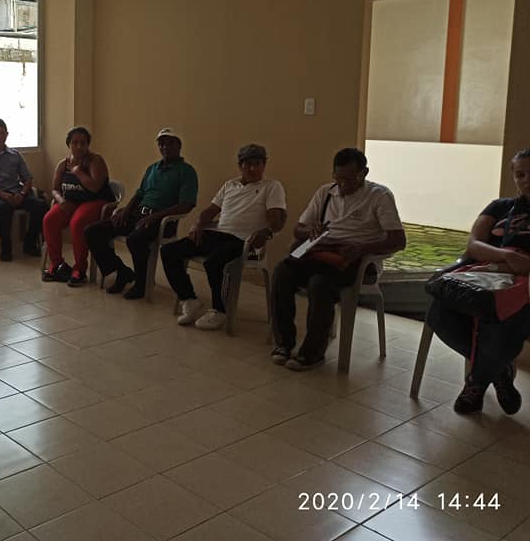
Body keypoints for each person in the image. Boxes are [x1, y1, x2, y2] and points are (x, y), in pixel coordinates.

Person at [271, 147, 406, 371]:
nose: (342, 185)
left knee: (319, 284)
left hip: (357, 260)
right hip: (322, 253)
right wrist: (310, 231)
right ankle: (284, 342)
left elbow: (398, 241)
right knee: (282, 271)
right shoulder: (326, 193)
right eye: (338, 178)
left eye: (349, 179)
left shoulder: (379, 196)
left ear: (364, 173)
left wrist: (362, 248)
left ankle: (312, 352)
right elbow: (298, 230)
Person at [427, 148, 530, 415]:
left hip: (524, 288)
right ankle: (498, 371)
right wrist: (506, 256)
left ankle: (476, 383)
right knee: (439, 312)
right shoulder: (500, 207)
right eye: (520, 175)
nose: (526, 180)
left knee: (500, 317)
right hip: (487, 276)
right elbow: (473, 245)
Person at [161, 143, 286, 329]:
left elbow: (277, 220)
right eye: (248, 164)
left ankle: (219, 310)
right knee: (169, 251)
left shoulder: (271, 186)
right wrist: (198, 223)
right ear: (240, 166)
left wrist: (267, 231)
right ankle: (189, 299)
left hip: (244, 241)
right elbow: (210, 210)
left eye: (258, 164)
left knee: (214, 262)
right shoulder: (229, 185)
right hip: (218, 234)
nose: (253, 169)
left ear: (264, 164)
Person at [85, 128, 198, 300]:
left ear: (179, 146)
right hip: (139, 214)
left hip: (162, 221)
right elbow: (139, 194)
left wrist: (156, 216)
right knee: (92, 231)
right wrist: (126, 210)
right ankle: (122, 272)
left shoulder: (186, 171)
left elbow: (186, 205)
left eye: (169, 143)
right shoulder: (152, 168)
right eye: (161, 144)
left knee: (135, 239)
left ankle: (141, 284)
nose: (165, 147)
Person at [42, 126, 115, 286]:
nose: (79, 146)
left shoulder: (95, 161)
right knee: (49, 220)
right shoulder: (63, 164)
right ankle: (57, 264)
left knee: (78, 222)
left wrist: (78, 172)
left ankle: (80, 269)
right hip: (70, 202)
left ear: (88, 144)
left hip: (94, 202)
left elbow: (95, 187)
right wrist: (61, 201)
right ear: (69, 144)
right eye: (75, 143)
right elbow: (55, 189)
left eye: (83, 143)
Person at [0, 118, 48, 261]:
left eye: (2, 133)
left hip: (17, 194)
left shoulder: (15, 155)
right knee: (2, 208)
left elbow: (27, 178)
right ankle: (6, 247)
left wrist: (22, 194)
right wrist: (1, 194)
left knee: (41, 205)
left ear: (7, 134)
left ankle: (29, 243)